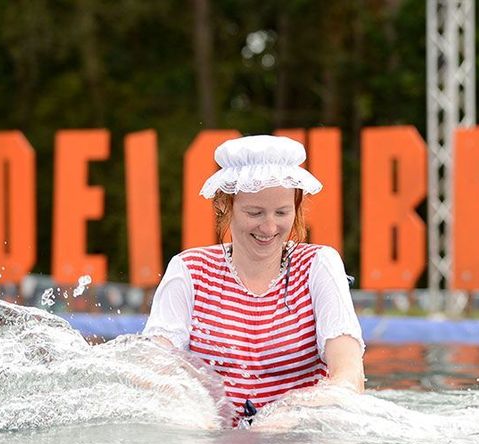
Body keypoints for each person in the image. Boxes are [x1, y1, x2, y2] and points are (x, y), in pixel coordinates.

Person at [143, 135, 365, 426]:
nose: (270, 227)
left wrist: (294, 411)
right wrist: (196, 418)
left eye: (282, 212)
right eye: (255, 212)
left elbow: (349, 376)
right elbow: (153, 369)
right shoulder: (188, 270)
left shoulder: (318, 265)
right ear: (224, 205)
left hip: (299, 441)